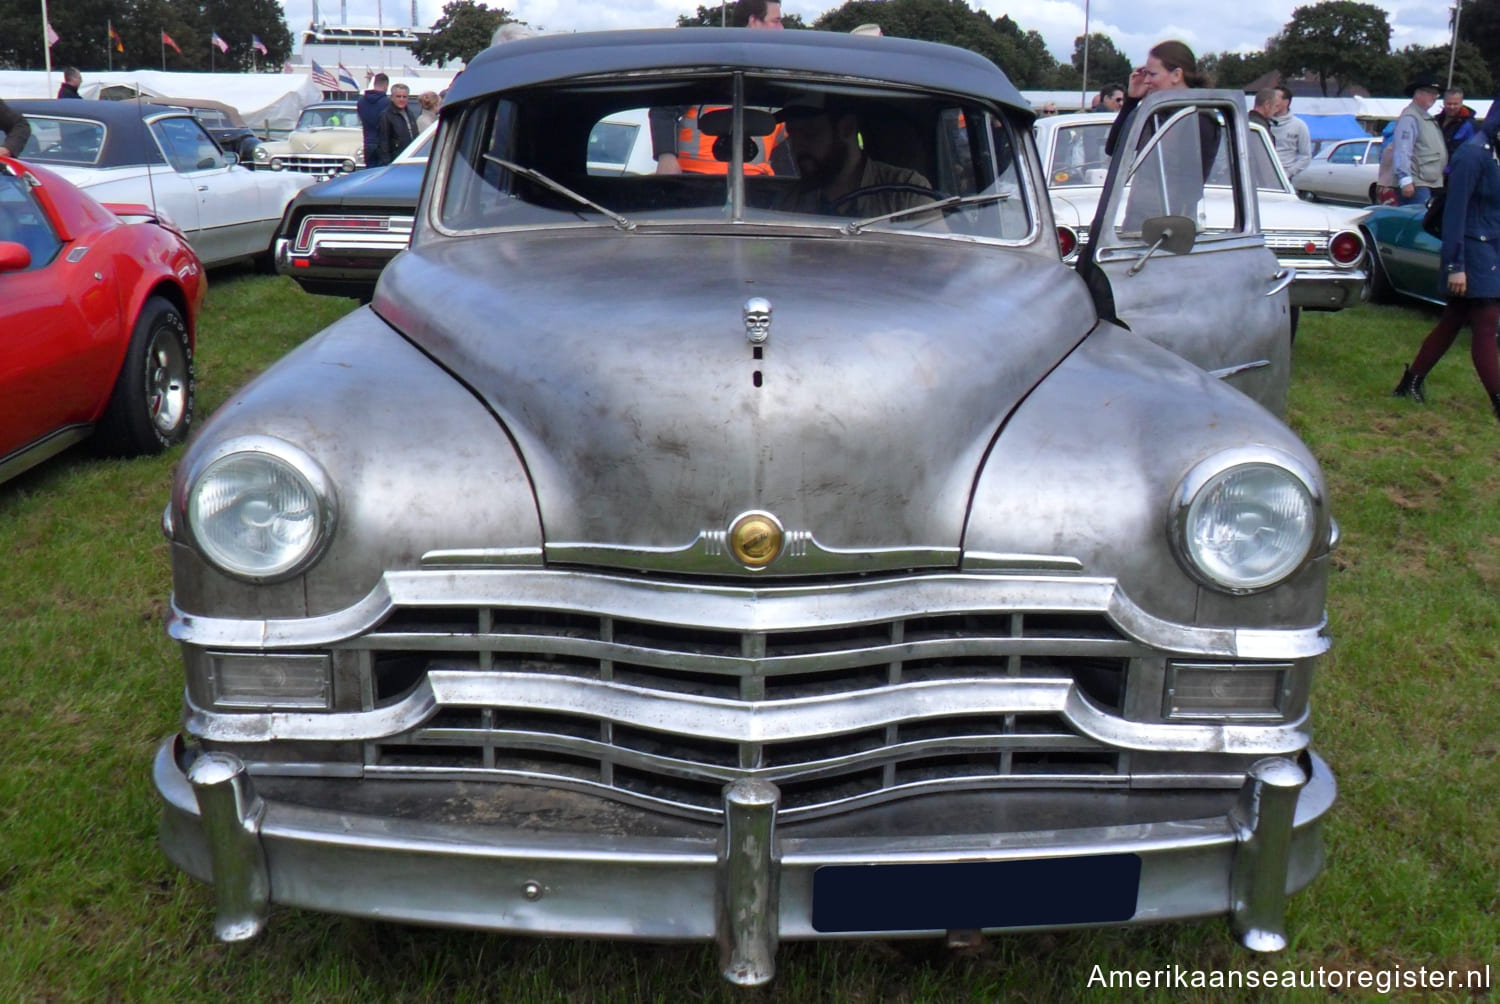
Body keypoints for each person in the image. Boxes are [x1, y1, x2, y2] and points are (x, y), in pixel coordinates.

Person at [1393, 93, 1500, 422]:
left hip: (1491, 249)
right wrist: (1456, 266)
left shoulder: (1495, 154)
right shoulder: (1473, 154)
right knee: (1486, 324)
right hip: (1470, 252)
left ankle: (1409, 383)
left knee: (1453, 320)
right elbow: (1455, 214)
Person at [651, 0, 784, 176]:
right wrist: (666, 157)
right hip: (695, 181)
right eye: (776, 21)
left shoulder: (779, 76)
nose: (782, 29)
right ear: (754, 21)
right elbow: (664, 108)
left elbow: (788, 140)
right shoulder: (708, 65)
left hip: (757, 186)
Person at [772, 96, 933, 219]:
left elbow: (935, 259)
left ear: (846, 128)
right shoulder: (791, 200)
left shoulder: (907, 192)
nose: (797, 146)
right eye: (792, 135)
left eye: (809, 133)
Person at [1390, 76, 1447, 207]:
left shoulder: (1424, 117)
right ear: (1419, 93)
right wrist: (1405, 180)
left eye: (1436, 94)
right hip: (1416, 184)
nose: (1434, 97)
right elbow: (1402, 149)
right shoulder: (1410, 117)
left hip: (1427, 182)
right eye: (1431, 93)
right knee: (1417, 220)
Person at [1269, 85, 1311, 179]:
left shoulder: (1299, 125)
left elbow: (1306, 156)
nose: (1271, 101)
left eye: (1275, 98)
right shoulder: (1263, 122)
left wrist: (1288, 173)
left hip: (1285, 173)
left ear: (1286, 102)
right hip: (1263, 171)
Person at [376, 83, 419, 166]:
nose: (401, 99)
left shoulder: (410, 114)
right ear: (392, 98)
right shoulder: (386, 116)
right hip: (395, 161)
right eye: (398, 96)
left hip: (409, 158)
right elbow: (383, 144)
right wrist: (387, 164)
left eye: (404, 97)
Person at [358, 72, 391, 168]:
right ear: (386, 86)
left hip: (367, 141)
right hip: (382, 143)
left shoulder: (361, 101)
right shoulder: (386, 102)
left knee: (369, 173)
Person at [1437, 88, 1477, 157]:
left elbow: (1472, 151)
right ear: (1443, 102)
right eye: (1449, 104)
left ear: (1461, 103)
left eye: (1455, 104)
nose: (1452, 107)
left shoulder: (1469, 124)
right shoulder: (1436, 120)